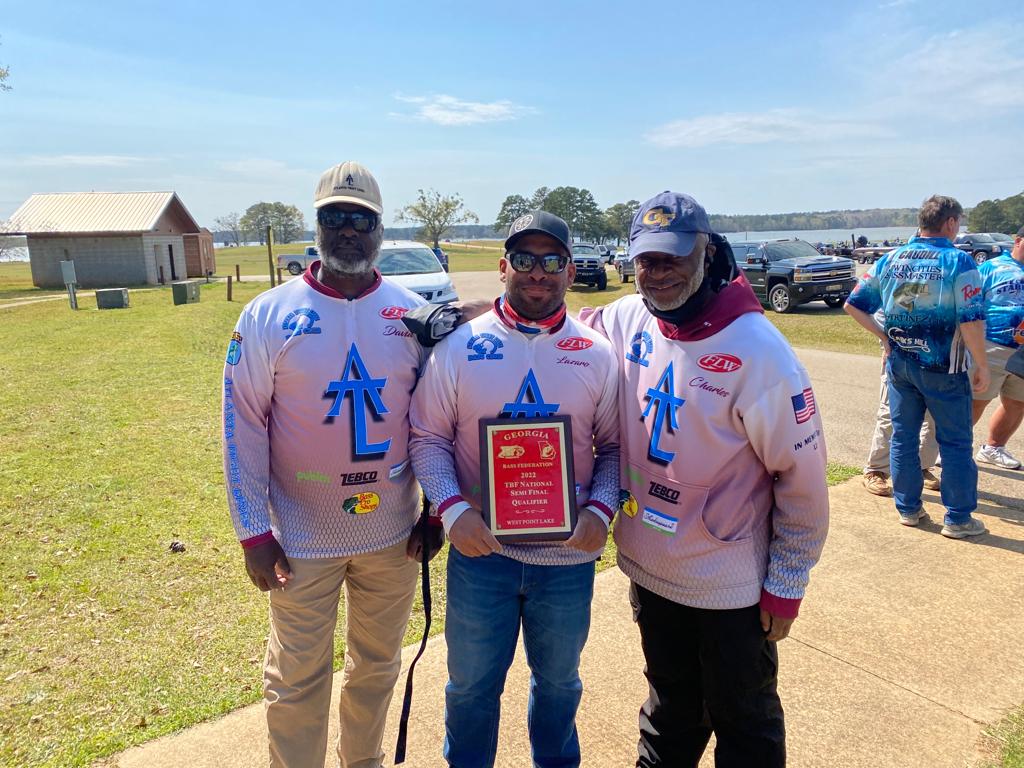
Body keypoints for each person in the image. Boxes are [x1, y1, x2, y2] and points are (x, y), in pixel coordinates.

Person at [580, 192, 829, 767]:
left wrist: (787, 583)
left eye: (672, 257)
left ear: (707, 253)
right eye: (645, 260)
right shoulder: (630, 315)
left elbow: (804, 484)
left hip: (730, 588)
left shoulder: (759, 352)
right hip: (653, 569)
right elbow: (561, 323)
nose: (657, 273)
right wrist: (470, 318)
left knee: (744, 723)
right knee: (670, 713)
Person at [222, 160, 443, 768]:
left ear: (379, 228)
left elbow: (434, 422)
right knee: (296, 681)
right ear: (316, 224)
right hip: (299, 538)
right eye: (334, 216)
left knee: (376, 668)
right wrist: (253, 533)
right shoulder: (268, 315)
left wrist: (437, 511)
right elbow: (241, 425)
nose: (347, 229)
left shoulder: (411, 315)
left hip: (392, 535)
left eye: (361, 218)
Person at [409, 210, 620, 768]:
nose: (537, 272)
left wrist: (601, 509)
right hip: (484, 554)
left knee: (559, 688)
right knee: (471, 691)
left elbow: (616, 449)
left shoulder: (596, 354)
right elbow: (427, 437)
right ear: (503, 267)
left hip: (567, 560)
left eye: (551, 261)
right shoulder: (460, 346)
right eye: (524, 259)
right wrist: (453, 511)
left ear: (570, 271)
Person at [845, 194, 990, 539]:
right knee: (955, 442)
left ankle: (908, 508)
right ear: (951, 223)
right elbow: (970, 318)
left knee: (904, 438)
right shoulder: (959, 261)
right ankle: (957, 518)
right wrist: (981, 362)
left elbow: (854, 304)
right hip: (945, 366)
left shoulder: (891, 259)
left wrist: (884, 337)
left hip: (901, 364)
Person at [862, 309, 942, 496]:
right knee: (891, 413)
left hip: (936, 352)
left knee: (933, 416)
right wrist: (886, 339)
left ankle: (922, 466)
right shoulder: (894, 279)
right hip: (898, 349)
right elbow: (865, 307)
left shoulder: (945, 279)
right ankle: (876, 470)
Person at [970, 224, 1024, 469]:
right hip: (992, 345)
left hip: (1022, 353)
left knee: (1017, 402)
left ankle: (993, 447)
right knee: (976, 400)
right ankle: (944, 447)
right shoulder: (991, 267)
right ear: (1018, 241)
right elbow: (970, 302)